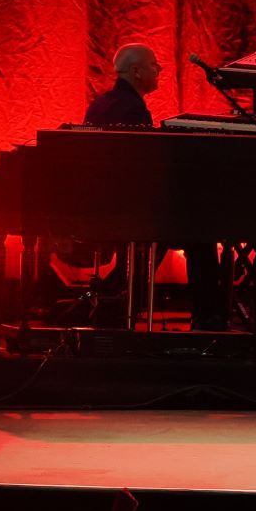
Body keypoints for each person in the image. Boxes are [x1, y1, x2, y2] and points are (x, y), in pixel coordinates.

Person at [83, 43, 225, 331]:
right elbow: (143, 170)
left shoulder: (100, 104)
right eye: (153, 65)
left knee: (170, 232)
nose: (158, 70)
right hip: (131, 210)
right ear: (136, 71)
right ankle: (208, 318)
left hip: (105, 207)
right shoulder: (133, 110)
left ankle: (111, 299)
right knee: (202, 233)